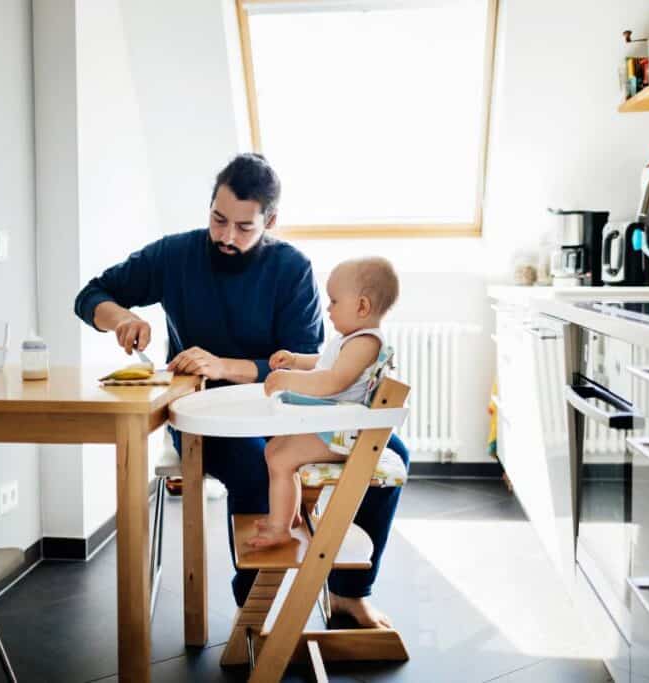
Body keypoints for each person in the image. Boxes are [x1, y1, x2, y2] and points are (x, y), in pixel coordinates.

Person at [74, 153, 408, 628]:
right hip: (203, 417)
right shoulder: (174, 255)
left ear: (270, 221)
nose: (227, 236)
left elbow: (304, 358)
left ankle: (348, 595)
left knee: (390, 449)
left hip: (288, 412)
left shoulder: (291, 268)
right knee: (255, 465)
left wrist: (226, 365)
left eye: (244, 227)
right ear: (210, 207)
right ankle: (254, 612)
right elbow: (91, 294)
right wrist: (121, 317)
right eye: (218, 219)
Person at [251, 257, 399, 549]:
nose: (328, 309)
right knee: (275, 449)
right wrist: (295, 360)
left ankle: (280, 527)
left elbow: (332, 381)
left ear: (362, 306)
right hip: (334, 426)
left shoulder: (364, 343)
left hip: (344, 435)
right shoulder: (352, 341)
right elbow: (323, 364)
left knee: (281, 459)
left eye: (333, 301)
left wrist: (288, 379)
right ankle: (288, 515)